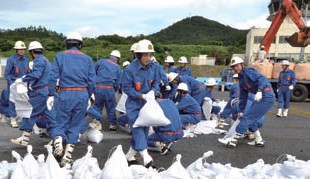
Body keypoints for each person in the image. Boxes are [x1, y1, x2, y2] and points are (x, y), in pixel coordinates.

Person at [48, 32, 96, 166]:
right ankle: (67, 156)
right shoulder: (87, 59)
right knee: (75, 125)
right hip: (81, 94)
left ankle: (58, 144)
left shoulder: (60, 56)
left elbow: (53, 77)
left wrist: (51, 93)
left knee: (59, 123)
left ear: (67, 43)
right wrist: (87, 95)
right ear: (80, 45)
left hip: (65, 93)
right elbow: (92, 81)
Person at [122, 39, 160, 168]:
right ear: (138, 55)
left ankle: (128, 157)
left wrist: (153, 92)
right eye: (145, 55)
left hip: (147, 104)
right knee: (137, 129)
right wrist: (141, 95)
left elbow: (156, 83)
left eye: (149, 55)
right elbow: (126, 88)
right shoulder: (129, 70)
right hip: (134, 104)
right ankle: (147, 158)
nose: (148, 58)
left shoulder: (153, 67)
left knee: (144, 131)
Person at [11, 41, 51, 147]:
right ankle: (57, 139)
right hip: (44, 91)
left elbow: (36, 74)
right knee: (50, 116)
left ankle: (24, 139)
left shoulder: (38, 60)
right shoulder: (46, 60)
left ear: (32, 52)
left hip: (40, 92)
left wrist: (23, 79)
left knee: (28, 112)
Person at [228, 56, 275, 147]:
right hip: (260, 97)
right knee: (247, 117)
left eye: (237, 65)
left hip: (266, 96)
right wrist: (241, 111)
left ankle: (233, 140)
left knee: (248, 118)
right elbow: (243, 96)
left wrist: (260, 91)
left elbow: (262, 79)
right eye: (233, 67)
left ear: (242, 65)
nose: (235, 68)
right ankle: (259, 140)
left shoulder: (248, 71)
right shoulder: (241, 79)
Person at [4, 41, 29, 128]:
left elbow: (28, 72)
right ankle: (13, 118)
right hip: (14, 82)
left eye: (23, 49)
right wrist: (11, 84)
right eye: (19, 49)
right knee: (13, 100)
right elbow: (6, 74)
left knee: (24, 100)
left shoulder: (26, 59)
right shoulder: (11, 60)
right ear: (16, 50)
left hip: (23, 82)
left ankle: (24, 117)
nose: (21, 51)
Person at [94, 50, 121, 131]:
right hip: (110, 89)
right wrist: (114, 90)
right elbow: (118, 82)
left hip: (99, 87)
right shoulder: (117, 67)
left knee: (98, 106)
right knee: (111, 107)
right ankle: (112, 124)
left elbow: (92, 72)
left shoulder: (100, 62)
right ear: (118, 59)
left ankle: (97, 123)